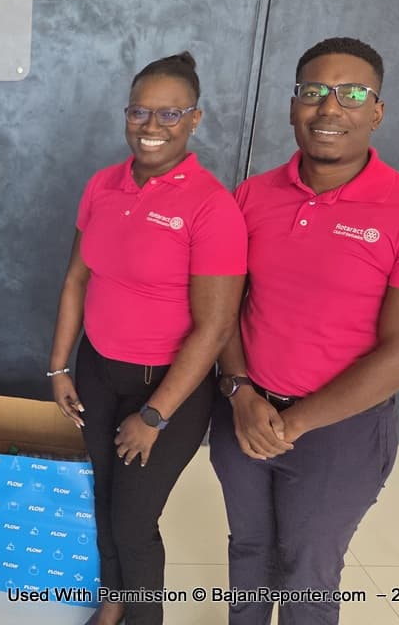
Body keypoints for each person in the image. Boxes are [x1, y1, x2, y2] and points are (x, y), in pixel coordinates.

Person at [209, 37, 399, 625]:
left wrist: (293, 422)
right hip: (243, 410)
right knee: (248, 548)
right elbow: (224, 308)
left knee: (309, 569)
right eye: (314, 92)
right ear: (294, 105)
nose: (330, 108)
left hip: (342, 432)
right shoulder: (251, 197)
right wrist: (241, 391)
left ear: (377, 111)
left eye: (352, 94)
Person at [49, 53, 247, 625]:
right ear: (126, 114)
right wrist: (59, 366)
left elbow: (215, 326)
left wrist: (155, 415)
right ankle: (113, 605)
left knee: (134, 522)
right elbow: (76, 278)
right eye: (140, 111)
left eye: (169, 113)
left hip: (166, 391)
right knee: (106, 504)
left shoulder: (211, 206)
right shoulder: (102, 186)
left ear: (195, 119)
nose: (151, 126)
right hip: (96, 373)